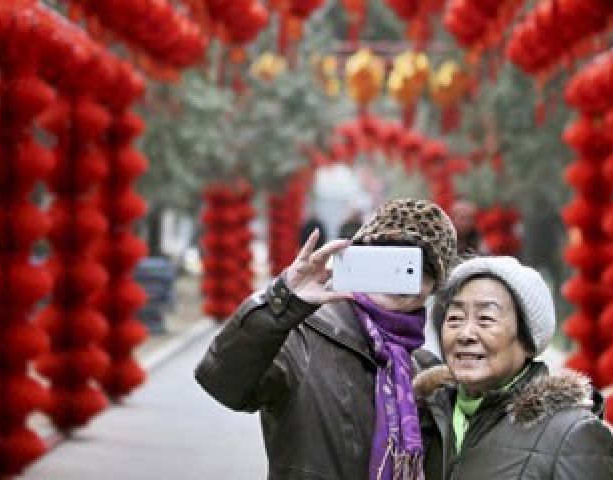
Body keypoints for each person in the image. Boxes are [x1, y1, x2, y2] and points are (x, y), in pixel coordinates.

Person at [195, 198, 458, 479]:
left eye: (421, 269)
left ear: (433, 289)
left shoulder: (426, 374)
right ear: (360, 259)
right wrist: (281, 302)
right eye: (390, 259)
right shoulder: (301, 336)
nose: (402, 278)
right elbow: (222, 382)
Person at [414, 256, 613, 479]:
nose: (465, 334)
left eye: (485, 318)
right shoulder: (423, 418)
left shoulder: (573, 434)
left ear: (528, 341)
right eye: (455, 318)